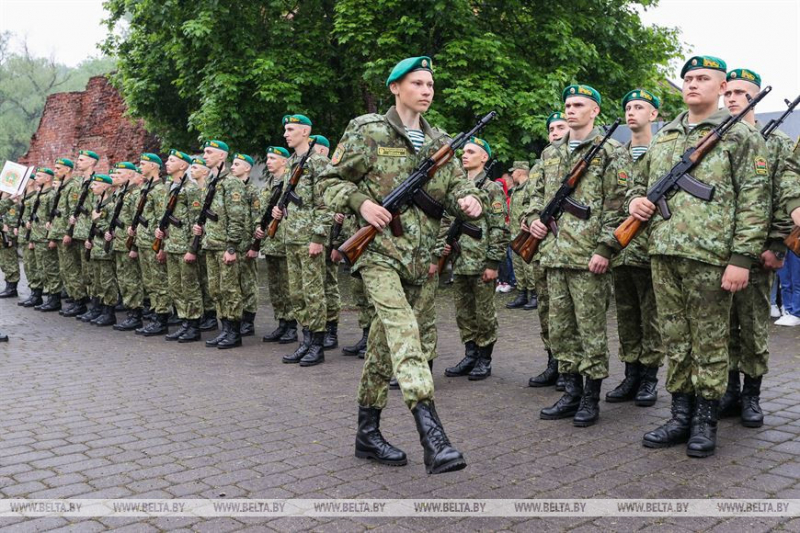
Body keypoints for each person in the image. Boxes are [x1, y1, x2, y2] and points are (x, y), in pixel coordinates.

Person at [318, 55, 482, 474]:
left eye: (430, 84)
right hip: (377, 254)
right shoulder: (368, 130)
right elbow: (329, 181)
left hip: (420, 259)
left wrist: (470, 199)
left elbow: (455, 186)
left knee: (381, 346)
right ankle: (433, 435)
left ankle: (367, 434)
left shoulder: (439, 140)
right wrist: (362, 203)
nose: (426, 91)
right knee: (406, 334)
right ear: (395, 87)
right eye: (417, 83)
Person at [629, 55, 770, 457]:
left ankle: (705, 420)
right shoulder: (666, 135)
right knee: (675, 339)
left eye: (702, 78)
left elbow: (755, 202)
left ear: (721, 88)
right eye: (688, 78)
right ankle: (680, 415)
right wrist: (635, 201)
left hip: (711, 257)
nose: (692, 84)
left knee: (710, 342)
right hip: (664, 252)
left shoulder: (741, 136)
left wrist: (741, 258)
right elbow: (637, 184)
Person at [525, 85, 625, 427]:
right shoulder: (551, 153)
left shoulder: (610, 151)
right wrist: (533, 218)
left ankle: (590, 398)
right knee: (561, 330)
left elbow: (618, 205)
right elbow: (535, 194)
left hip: (587, 258)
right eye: (567, 104)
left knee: (590, 330)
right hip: (553, 255)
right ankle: (570, 391)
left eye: (579, 105)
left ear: (594, 111)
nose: (570, 110)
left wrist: (605, 248)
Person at [720, 68, 795, 426]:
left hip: (758, 251)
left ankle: (751, 395)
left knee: (752, 327)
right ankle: (729, 391)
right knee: (721, 327)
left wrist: (777, 245)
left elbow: (785, 195)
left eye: (740, 92)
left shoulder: (777, 142)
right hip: (718, 249)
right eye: (728, 92)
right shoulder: (718, 138)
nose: (732, 98)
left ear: (756, 97)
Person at [606, 89, 665, 407]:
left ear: (653, 114)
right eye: (628, 107)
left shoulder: (664, 150)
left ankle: (649, 378)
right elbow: (608, 202)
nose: (631, 112)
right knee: (626, 315)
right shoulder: (615, 155)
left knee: (651, 315)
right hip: (620, 246)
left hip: (650, 248)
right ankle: (630, 374)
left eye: (639, 107)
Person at [440, 136, 509, 381]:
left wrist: (493, 263)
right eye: (464, 152)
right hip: (459, 261)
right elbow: (446, 221)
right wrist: (443, 245)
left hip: (481, 263)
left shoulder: (492, 189)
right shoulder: (457, 189)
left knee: (484, 314)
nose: (464, 155)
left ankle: (484, 359)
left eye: (471, 151)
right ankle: (470, 355)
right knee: (464, 313)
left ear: (484, 157)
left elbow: (500, 227)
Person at [271, 114, 330, 366]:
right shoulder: (292, 162)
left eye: (291, 129)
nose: (286, 134)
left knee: (313, 292)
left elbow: (325, 203)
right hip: (291, 237)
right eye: (285, 129)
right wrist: (280, 211)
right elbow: (291, 197)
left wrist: (318, 236)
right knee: (296, 293)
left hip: (309, 239)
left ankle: (317, 344)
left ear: (305, 132)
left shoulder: (318, 162)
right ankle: (305, 340)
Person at [527, 112, 568, 390]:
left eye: (560, 127)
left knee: (566, 311)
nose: (555, 132)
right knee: (546, 306)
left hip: (570, 246)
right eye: (551, 128)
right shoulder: (544, 159)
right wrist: (531, 217)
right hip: (543, 245)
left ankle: (568, 367)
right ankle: (553, 361)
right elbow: (534, 196)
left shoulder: (579, 155)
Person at [193, 140, 247, 349]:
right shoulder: (211, 181)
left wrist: (232, 247)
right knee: (216, 290)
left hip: (225, 246)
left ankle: (234, 332)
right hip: (211, 244)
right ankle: (224, 328)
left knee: (230, 289)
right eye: (204, 152)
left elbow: (237, 217)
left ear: (222, 156)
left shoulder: (231, 183)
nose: (205, 155)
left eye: (209, 152)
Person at [160, 150, 204, 343]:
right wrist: (162, 239)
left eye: (172, 160)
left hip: (185, 246)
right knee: (175, 287)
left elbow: (197, 221)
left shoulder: (190, 189)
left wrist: (192, 249)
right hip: (172, 245)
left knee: (189, 287)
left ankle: (193, 325)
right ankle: (184, 321)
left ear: (183, 165)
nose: (167, 163)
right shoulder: (169, 186)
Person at [256, 147, 298, 344]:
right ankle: (281, 322)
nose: (268, 161)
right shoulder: (269, 185)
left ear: (284, 161)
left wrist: (284, 214)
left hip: (285, 241)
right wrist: (258, 227)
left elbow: (300, 211)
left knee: (288, 286)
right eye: (267, 158)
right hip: (270, 242)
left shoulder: (290, 184)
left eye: (273, 158)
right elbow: (261, 211)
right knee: (275, 287)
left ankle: (291, 325)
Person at [46, 158, 84, 314]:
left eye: (58, 168)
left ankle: (79, 302)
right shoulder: (63, 186)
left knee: (71, 269)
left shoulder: (73, 186)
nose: (55, 171)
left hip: (66, 234)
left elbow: (73, 212)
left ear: (67, 169)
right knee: (65, 269)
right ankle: (74, 299)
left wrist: (69, 232)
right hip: (59, 232)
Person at [27, 167, 63, 312]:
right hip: (37, 236)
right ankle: (42, 296)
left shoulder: (52, 195)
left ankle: (54, 299)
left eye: (39, 176)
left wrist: (52, 238)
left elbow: (54, 217)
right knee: (41, 268)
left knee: (51, 268)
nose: (36, 178)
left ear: (48, 178)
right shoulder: (38, 194)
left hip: (46, 237)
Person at [72, 150, 101, 320]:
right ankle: (86, 304)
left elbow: (96, 209)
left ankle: (96, 307)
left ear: (91, 162)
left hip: (89, 232)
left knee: (92, 272)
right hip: (79, 231)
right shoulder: (79, 182)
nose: (78, 162)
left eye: (82, 160)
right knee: (83, 271)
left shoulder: (96, 183)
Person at [506, 161, 536, 310]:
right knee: (518, 266)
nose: (512, 174)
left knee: (528, 266)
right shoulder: (516, 190)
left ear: (520, 171)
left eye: (513, 171)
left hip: (526, 235)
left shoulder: (530, 187)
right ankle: (522, 294)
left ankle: (534, 295)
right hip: (515, 235)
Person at [0, 191, 21, 299]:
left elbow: (12, 222)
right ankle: (9, 285)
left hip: (7, 236)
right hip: (2, 236)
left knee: (10, 261)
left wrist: (9, 237)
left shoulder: (12, 204)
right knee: (4, 262)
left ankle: (12, 288)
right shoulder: (3, 202)